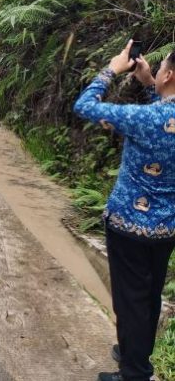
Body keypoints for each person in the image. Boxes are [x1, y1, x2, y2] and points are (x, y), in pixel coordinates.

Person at [74, 40, 175, 381]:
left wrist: (113, 69)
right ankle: (134, 355)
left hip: (129, 226)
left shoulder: (143, 119)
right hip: (167, 229)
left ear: (170, 74)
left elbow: (84, 105)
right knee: (149, 297)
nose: (156, 72)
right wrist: (149, 84)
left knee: (130, 299)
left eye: (160, 69)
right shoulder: (154, 115)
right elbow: (165, 122)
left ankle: (134, 374)